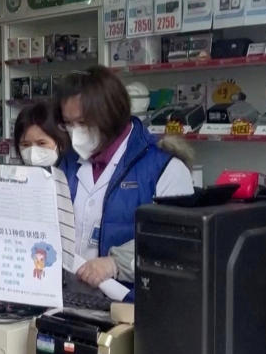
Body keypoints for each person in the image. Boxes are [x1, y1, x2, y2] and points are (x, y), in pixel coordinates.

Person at [55, 66, 194, 288]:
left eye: (82, 123)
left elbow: (178, 244)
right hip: (73, 297)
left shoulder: (165, 169)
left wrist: (115, 263)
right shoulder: (67, 164)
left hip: (133, 305)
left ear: (111, 116)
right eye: (68, 124)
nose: (75, 133)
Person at [13, 102, 76, 273]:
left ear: (60, 143)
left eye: (41, 143)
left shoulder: (72, 180)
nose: (33, 152)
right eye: (25, 145)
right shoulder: (16, 182)